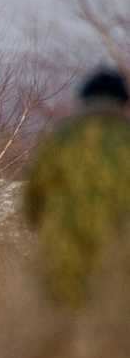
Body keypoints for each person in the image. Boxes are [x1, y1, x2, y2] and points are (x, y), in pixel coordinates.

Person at [23, 68, 130, 308]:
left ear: (84, 100)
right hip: (120, 254)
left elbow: (33, 199)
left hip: (66, 254)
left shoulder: (61, 139)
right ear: (123, 102)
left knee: (67, 322)